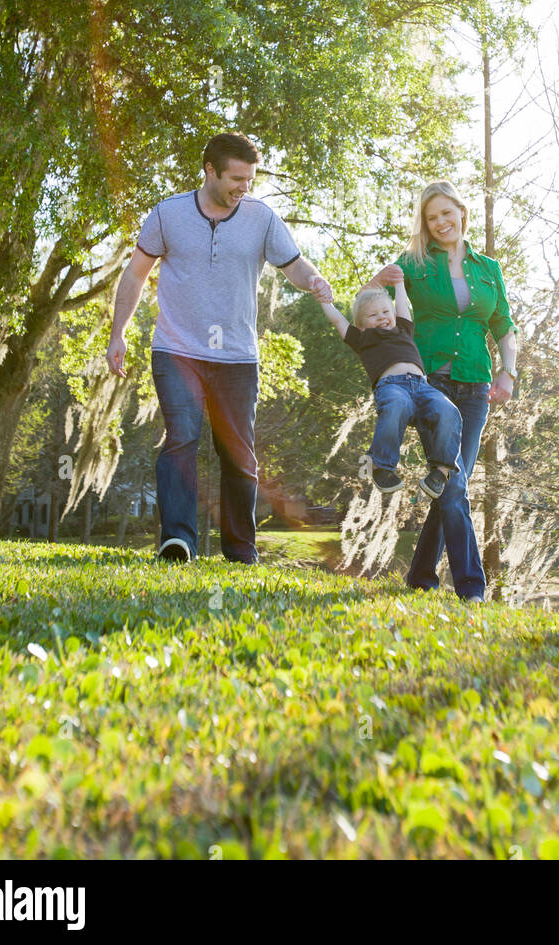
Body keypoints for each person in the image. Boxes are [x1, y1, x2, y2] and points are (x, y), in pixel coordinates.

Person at [105, 132, 330, 563]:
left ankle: (240, 549)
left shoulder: (261, 218)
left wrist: (314, 280)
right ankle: (178, 541)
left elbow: (295, 265)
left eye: (250, 180)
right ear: (210, 170)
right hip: (177, 350)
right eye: (237, 178)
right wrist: (118, 333)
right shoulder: (167, 215)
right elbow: (134, 275)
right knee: (181, 439)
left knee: (238, 453)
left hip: (237, 356)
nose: (244, 188)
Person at [365, 180, 518, 602]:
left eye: (446, 213)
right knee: (454, 483)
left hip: (476, 384)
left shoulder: (488, 268)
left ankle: (420, 577)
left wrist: (509, 372)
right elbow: (370, 303)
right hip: (430, 384)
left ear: (461, 213)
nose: (441, 223)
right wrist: (376, 280)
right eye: (432, 218)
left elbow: (503, 323)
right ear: (425, 225)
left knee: (452, 480)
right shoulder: (414, 263)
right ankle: (472, 588)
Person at [311, 274, 462, 499]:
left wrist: (399, 283)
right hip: (392, 387)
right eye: (373, 315)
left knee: (449, 411)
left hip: (423, 386)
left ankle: (440, 471)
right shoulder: (362, 339)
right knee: (397, 405)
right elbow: (338, 321)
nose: (382, 318)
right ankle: (382, 466)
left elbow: (402, 304)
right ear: (361, 326)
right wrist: (324, 300)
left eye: (385, 312)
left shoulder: (403, 328)